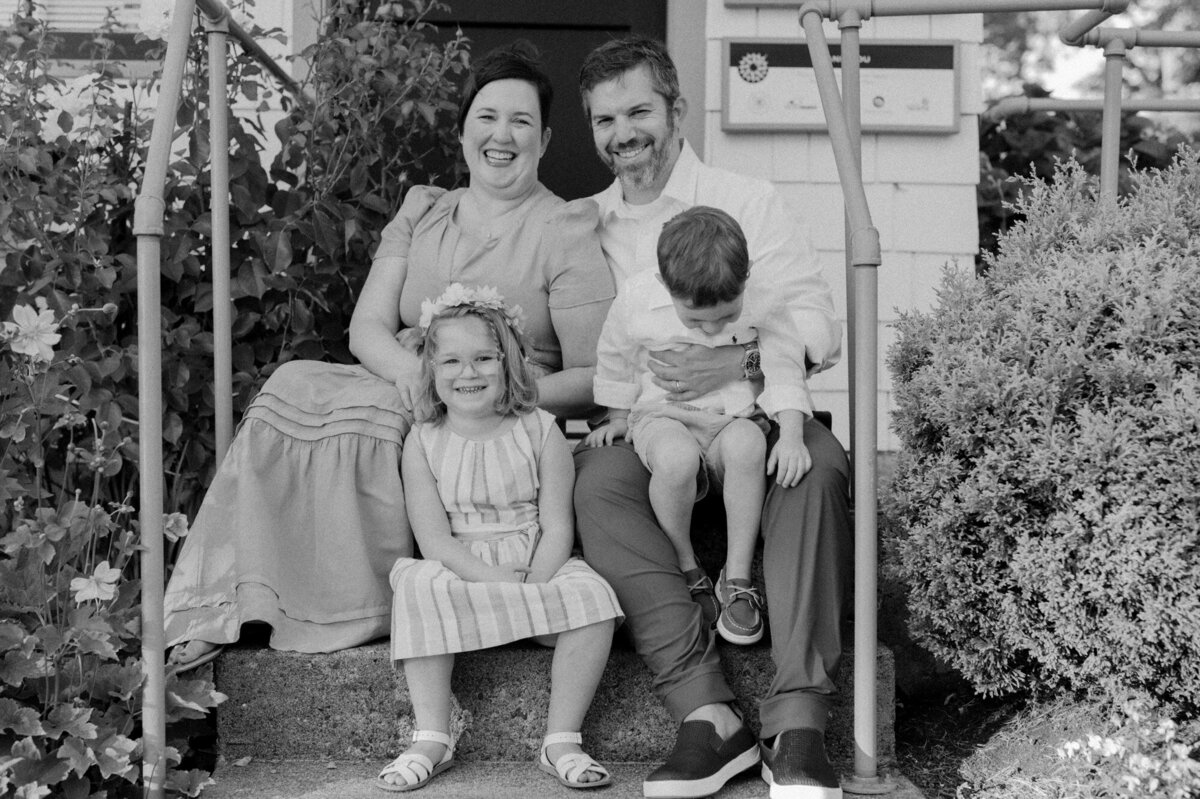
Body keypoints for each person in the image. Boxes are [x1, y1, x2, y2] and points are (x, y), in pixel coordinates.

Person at [163, 41, 614, 671]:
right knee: (290, 386)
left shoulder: (565, 228)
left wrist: (495, 389)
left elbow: (597, 375)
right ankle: (232, 602)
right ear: (462, 134)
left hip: (496, 397)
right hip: (401, 371)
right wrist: (417, 376)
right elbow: (367, 328)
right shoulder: (424, 211)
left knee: (377, 426)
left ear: (544, 138)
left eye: (520, 121)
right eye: (486, 118)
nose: (501, 135)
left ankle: (347, 609)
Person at [572, 37, 851, 799]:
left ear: (676, 109)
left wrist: (740, 364)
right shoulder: (583, 222)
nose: (622, 132)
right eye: (605, 119)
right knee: (598, 485)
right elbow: (607, 357)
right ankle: (708, 713)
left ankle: (798, 719)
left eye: (638, 110)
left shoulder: (745, 199)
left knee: (816, 467)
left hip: (755, 409)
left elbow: (819, 322)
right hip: (657, 423)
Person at [377, 286, 621, 792]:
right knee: (417, 588)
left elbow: (557, 525)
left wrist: (536, 577)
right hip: (462, 565)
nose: (468, 373)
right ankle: (432, 736)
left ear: (508, 363)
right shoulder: (422, 441)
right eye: (451, 361)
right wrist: (492, 579)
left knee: (594, 600)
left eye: (484, 358)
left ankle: (561, 739)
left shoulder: (541, 430)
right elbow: (434, 539)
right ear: (431, 369)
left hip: (533, 560)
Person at [584, 206, 818, 648]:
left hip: (734, 418)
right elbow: (614, 353)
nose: (711, 328)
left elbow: (786, 363)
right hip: (664, 414)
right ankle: (687, 565)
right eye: (695, 319)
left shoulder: (765, 299)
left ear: (745, 280)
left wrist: (790, 435)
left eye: (726, 317)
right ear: (664, 284)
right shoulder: (637, 298)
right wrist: (616, 416)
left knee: (750, 445)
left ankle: (738, 576)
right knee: (675, 459)